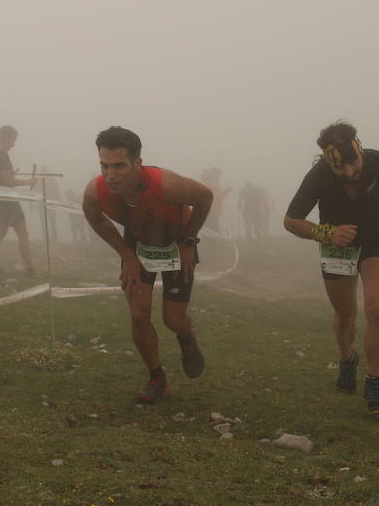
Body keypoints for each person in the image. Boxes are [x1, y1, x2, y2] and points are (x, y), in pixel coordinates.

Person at [283, 121, 379, 415]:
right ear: (329, 163)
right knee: (345, 315)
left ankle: (374, 381)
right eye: (341, 171)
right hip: (337, 247)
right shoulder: (319, 175)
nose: (349, 174)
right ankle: (347, 358)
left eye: (355, 167)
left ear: (359, 151)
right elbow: (291, 220)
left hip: (377, 240)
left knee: (376, 310)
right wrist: (326, 233)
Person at [82, 126, 213, 403]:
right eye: (104, 166)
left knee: (172, 319)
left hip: (178, 242)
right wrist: (126, 255)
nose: (110, 175)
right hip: (138, 245)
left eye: (119, 166)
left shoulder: (166, 184)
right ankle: (156, 377)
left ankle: (186, 336)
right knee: (139, 314)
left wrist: (189, 240)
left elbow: (205, 197)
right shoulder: (95, 192)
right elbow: (95, 219)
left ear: (137, 163)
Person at [0, 125, 37, 274]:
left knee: (0, 232)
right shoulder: (2, 155)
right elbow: (8, 182)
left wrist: (8, 171)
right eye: (13, 140)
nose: (13, 144)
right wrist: (29, 182)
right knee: (23, 233)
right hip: (7, 199)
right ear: (6, 137)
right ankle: (30, 269)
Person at [201, 167, 232, 235]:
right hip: (213, 211)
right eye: (218, 174)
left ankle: (206, 243)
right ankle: (212, 244)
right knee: (214, 231)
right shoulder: (213, 185)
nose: (219, 176)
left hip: (207, 210)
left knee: (207, 229)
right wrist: (227, 191)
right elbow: (218, 197)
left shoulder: (207, 183)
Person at [36, 165, 60, 243]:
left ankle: (53, 238)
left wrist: (57, 202)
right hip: (42, 203)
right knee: (45, 221)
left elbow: (57, 191)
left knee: (51, 221)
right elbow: (35, 191)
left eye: (45, 170)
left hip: (50, 202)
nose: (44, 171)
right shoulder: (39, 180)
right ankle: (47, 238)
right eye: (44, 170)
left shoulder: (50, 180)